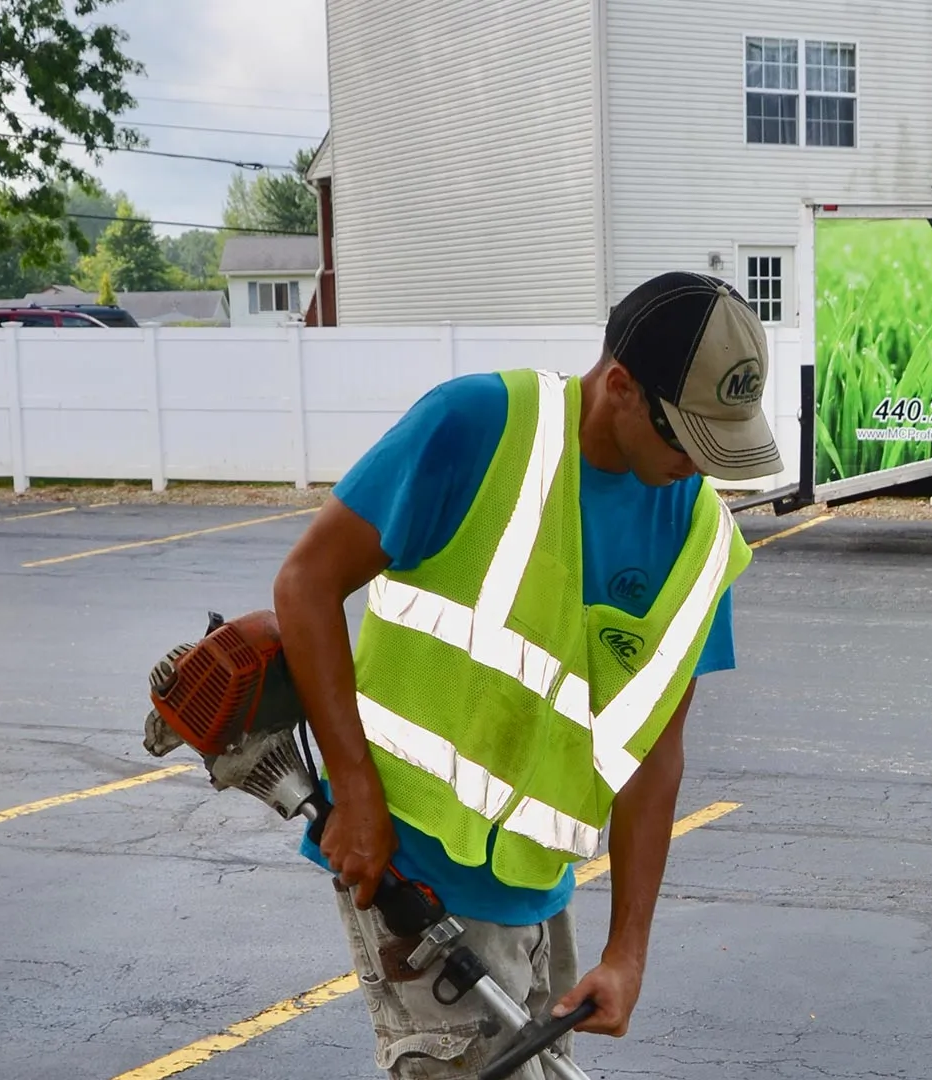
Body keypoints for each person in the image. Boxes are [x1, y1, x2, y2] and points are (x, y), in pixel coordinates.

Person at [271, 272, 783, 1078]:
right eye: (688, 439)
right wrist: (357, 793)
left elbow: (655, 753)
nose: (701, 468)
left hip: (539, 888)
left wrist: (628, 951)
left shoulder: (702, 541)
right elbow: (305, 584)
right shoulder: (478, 427)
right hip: (413, 859)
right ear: (620, 387)